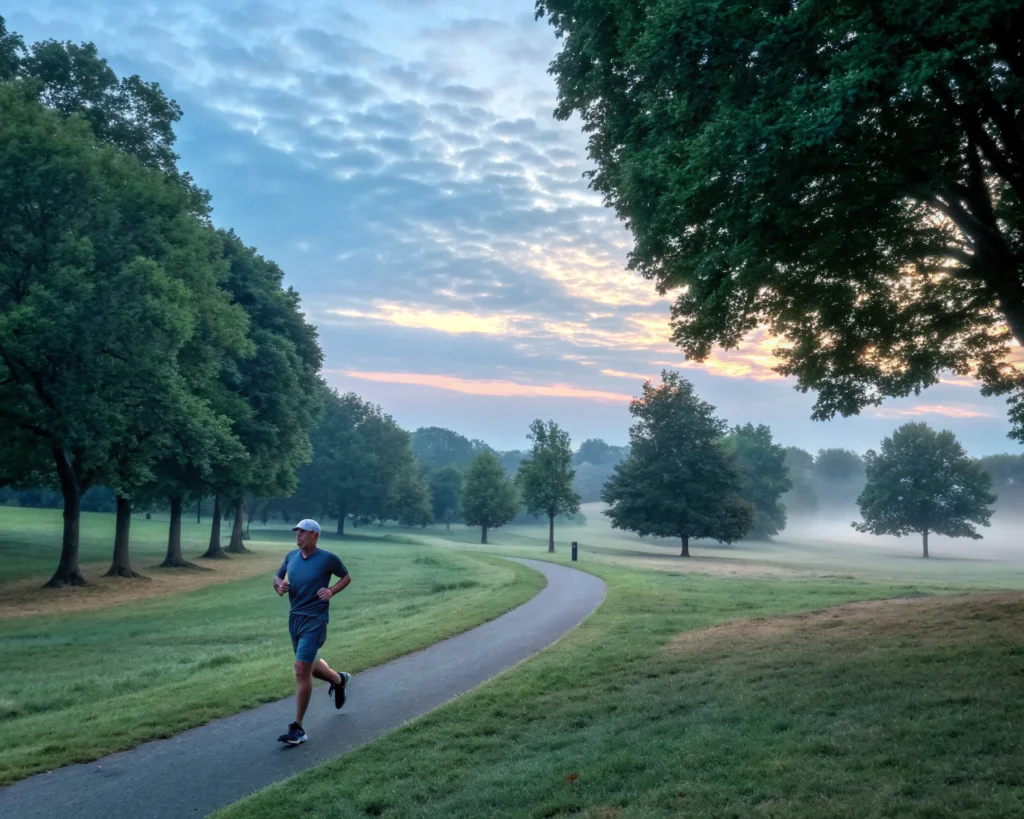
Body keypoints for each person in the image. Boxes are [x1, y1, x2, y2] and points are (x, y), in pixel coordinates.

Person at [273, 518, 352, 745]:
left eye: (303, 532)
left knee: (301, 669)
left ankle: (298, 728)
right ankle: (339, 680)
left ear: (315, 535)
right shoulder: (291, 557)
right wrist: (279, 586)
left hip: (315, 620)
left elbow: (346, 577)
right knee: (308, 664)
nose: (298, 536)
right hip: (295, 618)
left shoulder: (327, 558)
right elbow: (277, 577)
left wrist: (331, 591)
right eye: (296, 532)